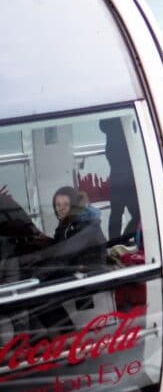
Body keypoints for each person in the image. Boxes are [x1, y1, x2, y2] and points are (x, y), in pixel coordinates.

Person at [20, 187, 106, 281]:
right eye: (58, 205)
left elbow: (62, 258)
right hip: (77, 273)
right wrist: (46, 241)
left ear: (74, 205)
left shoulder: (84, 226)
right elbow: (63, 247)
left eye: (66, 204)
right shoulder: (69, 223)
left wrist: (33, 279)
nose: (61, 209)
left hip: (91, 282)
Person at [99, 117, 140, 245]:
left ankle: (113, 244)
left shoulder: (110, 125)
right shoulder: (125, 125)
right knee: (139, 216)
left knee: (116, 212)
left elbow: (102, 126)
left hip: (116, 174)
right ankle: (121, 241)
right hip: (127, 176)